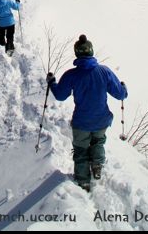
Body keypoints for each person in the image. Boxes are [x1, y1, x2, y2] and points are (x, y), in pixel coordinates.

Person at [46, 34, 127, 192]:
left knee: (81, 150)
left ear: (77, 53)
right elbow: (120, 94)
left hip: (81, 122)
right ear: (91, 51)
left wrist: (52, 82)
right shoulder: (104, 72)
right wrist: (124, 87)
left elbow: (60, 95)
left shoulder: (71, 75)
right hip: (101, 119)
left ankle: (83, 181)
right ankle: (97, 166)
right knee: (98, 142)